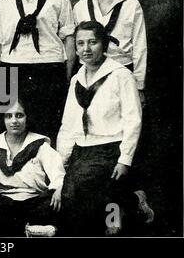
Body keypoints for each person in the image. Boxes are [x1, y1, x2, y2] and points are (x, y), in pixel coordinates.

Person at [57, 21, 146, 236]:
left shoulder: (120, 75)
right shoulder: (77, 79)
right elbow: (68, 124)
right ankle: (133, 199)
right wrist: (61, 161)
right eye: (80, 43)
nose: (86, 49)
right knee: (68, 199)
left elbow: (133, 119)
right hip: (82, 150)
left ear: (104, 45)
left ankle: (127, 208)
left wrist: (124, 159)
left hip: (110, 149)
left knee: (98, 200)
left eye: (92, 42)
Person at [0, 0, 76, 145]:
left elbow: (69, 38)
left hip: (48, 69)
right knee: (13, 129)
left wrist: (65, 75)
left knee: (46, 128)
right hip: (11, 69)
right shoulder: (5, 1)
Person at [0, 98, 65, 236]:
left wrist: (59, 188)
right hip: (2, 201)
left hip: (33, 200)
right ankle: (28, 230)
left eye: (19, 115)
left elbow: (59, 175)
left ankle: (3, 229)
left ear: (27, 117)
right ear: (3, 119)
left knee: (58, 202)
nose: (14, 121)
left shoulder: (40, 145)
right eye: (8, 116)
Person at [73, 0, 147, 104]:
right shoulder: (81, 6)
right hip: (90, 74)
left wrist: (139, 86)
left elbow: (140, 48)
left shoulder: (131, 4)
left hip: (121, 71)